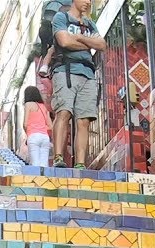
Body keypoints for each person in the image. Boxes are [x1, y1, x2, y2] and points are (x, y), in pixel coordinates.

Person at [50, 0, 105, 168]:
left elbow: (102, 45)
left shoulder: (90, 24)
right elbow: (64, 41)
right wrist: (88, 42)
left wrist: (79, 37)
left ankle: (80, 163)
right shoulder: (61, 17)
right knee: (64, 112)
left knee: (84, 120)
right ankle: (58, 157)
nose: (88, 2)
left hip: (88, 73)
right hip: (65, 70)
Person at [23, 86, 52, 167]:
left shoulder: (28, 104)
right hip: (45, 137)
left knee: (35, 164)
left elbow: (25, 124)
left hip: (33, 136)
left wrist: (30, 131)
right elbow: (50, 126)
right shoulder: (44, 107)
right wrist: (41, 128)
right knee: (44, 165)